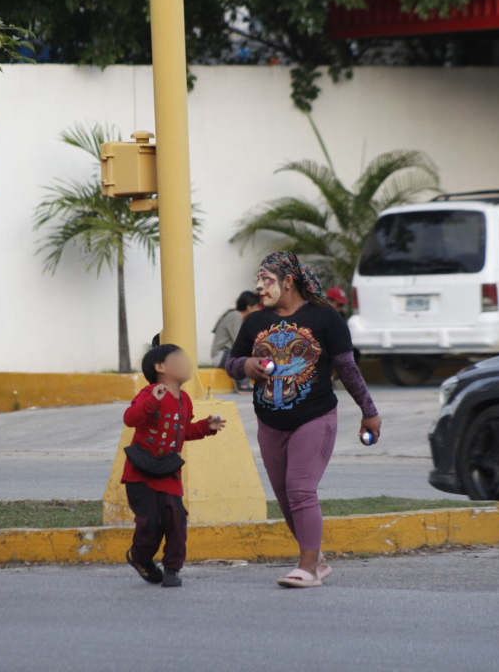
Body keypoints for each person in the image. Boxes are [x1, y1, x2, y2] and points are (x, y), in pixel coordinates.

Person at [225, 251, 381, 588]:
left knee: (300, 491)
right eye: (258, 280)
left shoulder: (325, 319)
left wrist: (369, 412)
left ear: (288, 281)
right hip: (269, 422)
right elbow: (232, 361)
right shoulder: (254, 321)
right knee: (285, 498)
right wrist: (246, 366)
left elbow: (348, 370)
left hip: (314, 417)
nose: (259, 287)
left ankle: (308, 568)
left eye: (266, 280)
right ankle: (317, 560)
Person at [121, 344, 226, 588]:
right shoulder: (150, 392)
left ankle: (172, 569)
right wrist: (152, 402)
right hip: (140, 471)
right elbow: (130, 418)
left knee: (176, 520)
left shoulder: (185, 400)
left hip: (168, 471)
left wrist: (205, 427)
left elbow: (183, 431)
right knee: (150, 522)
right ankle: (140, 557)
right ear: (160, 367)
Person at [210, 291, 260, 392]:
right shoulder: (235, 316)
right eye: (256, 307)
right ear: (249, 307)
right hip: (220, 355)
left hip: (224, 354)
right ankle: (243, 385)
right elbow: (239, 341)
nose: (257, 310)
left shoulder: (234, 314)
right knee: (245, 354)